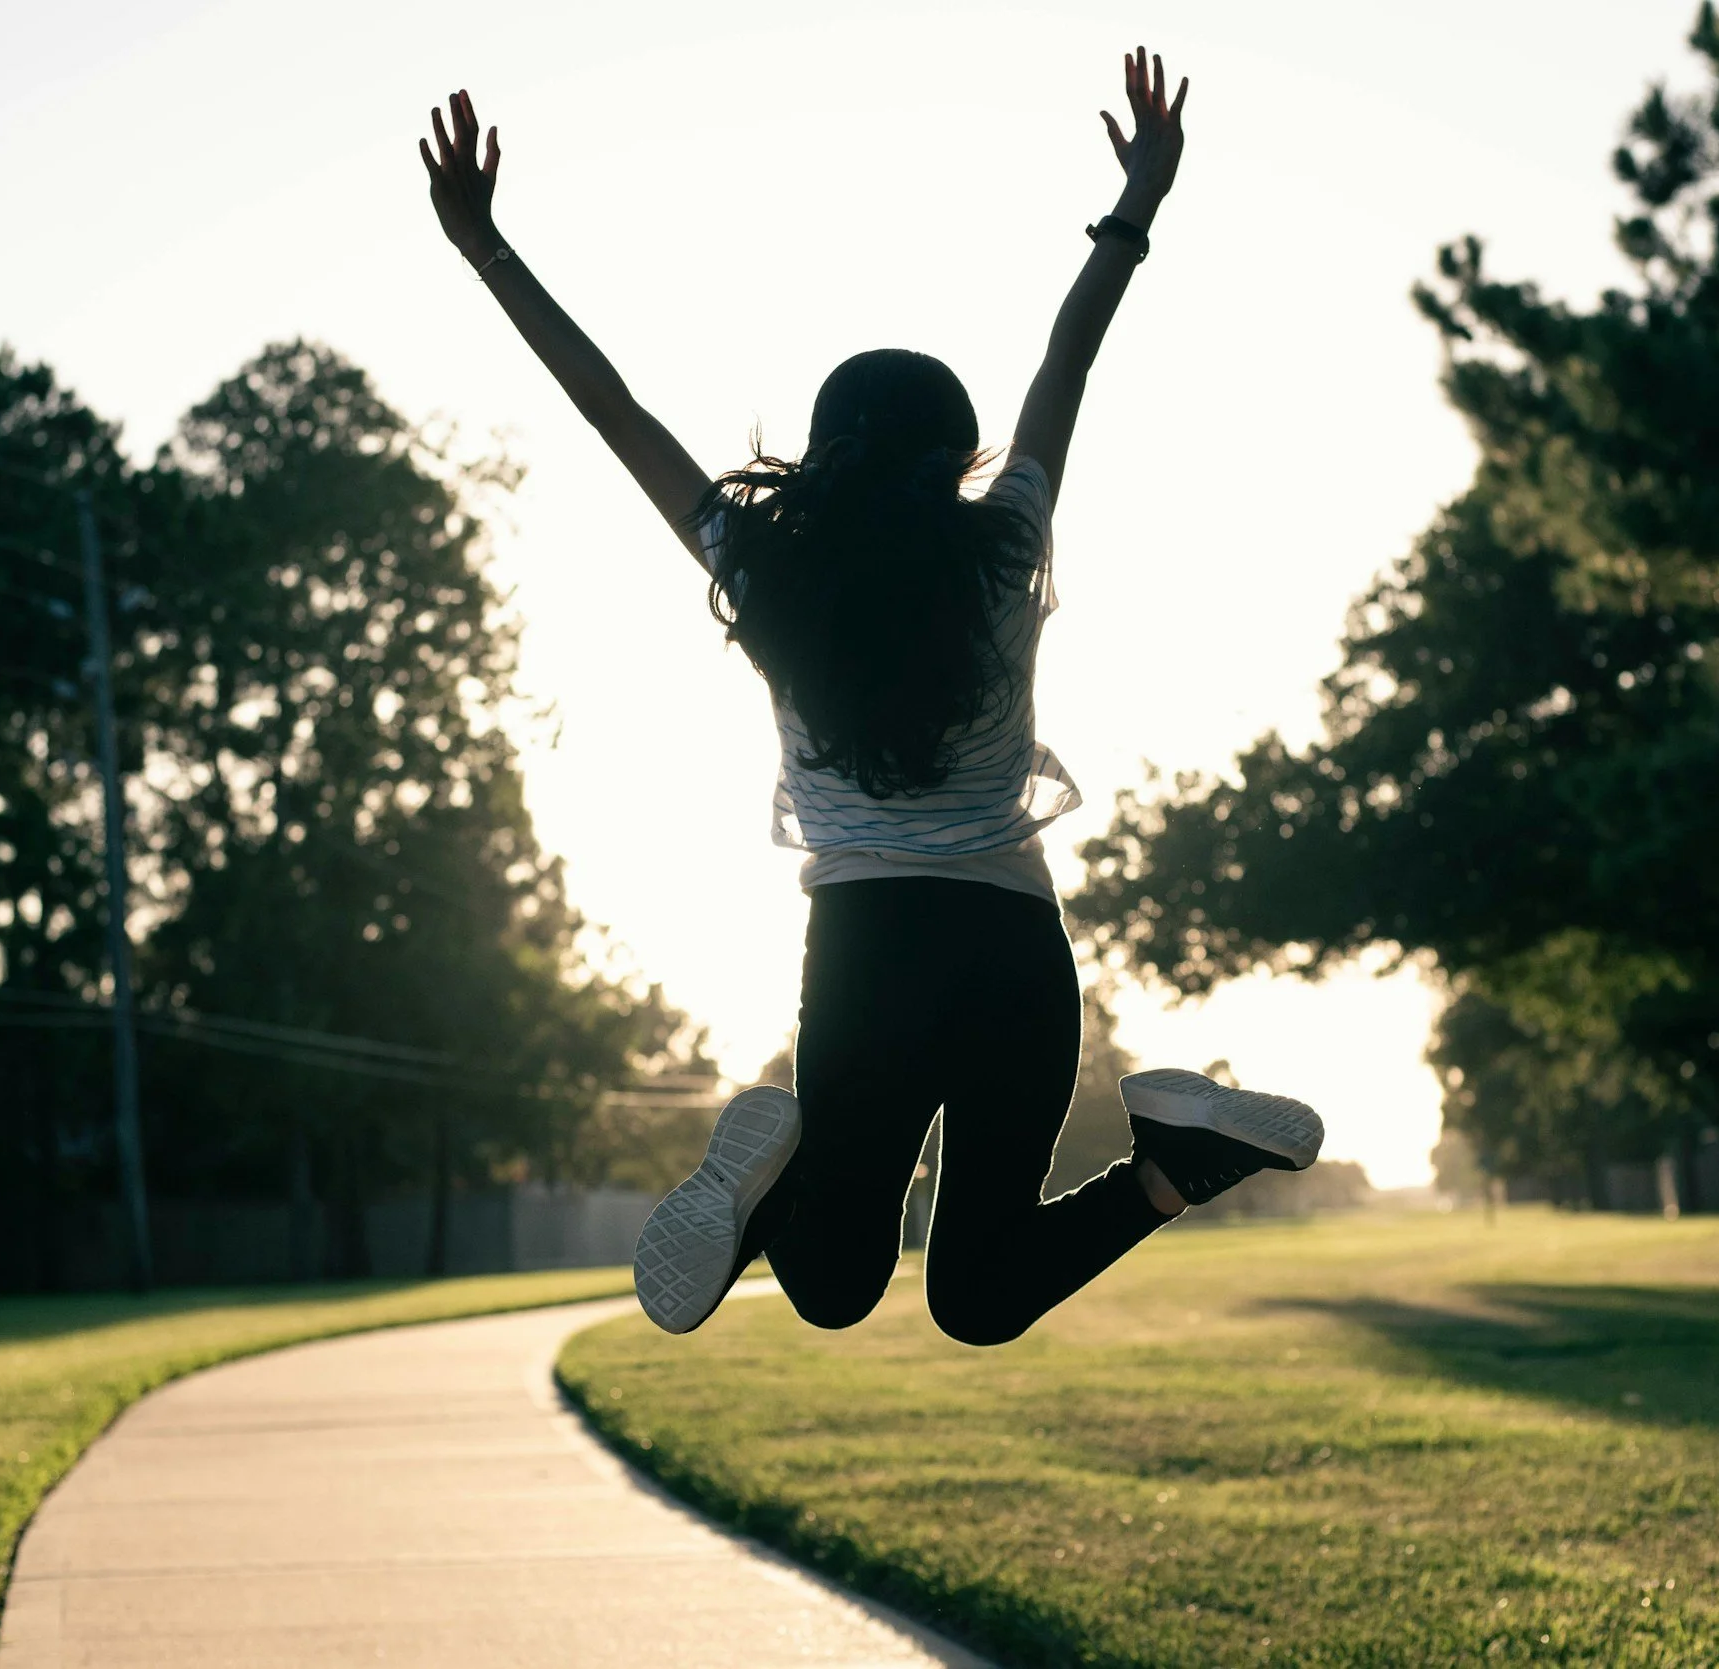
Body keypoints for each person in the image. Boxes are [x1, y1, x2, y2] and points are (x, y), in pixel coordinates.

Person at [419, 48, 1322, 1345]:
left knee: (836, 1288)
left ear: (823, 452)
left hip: (866, 956)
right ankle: (1175, 1157)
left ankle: (775, 1179)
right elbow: (1069, 363)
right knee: (981, 1297)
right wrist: (1136, 209)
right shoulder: (1005, 545)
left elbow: (610, 407)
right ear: (960, 461)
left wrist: (485, 247)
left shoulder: (767, 569)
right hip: (1014, 956)